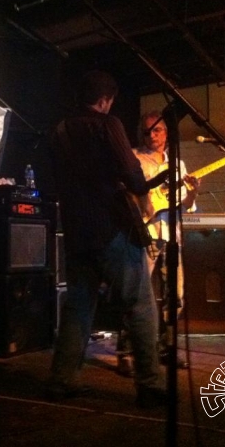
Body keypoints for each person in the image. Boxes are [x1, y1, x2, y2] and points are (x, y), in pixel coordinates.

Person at [47, 69, 169, 409]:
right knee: (141, 305)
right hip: (111, 230)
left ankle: (61, 380)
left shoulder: (60, 130)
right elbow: (134, 179)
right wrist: (158, 178)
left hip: (76, 232)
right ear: (105, 100)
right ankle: (150, 385)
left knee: (79, 308)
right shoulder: (108, 124)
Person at [116, 111, 200, 375]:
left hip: (171, 235)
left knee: (176, 296)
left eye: (157, 130)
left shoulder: (178, 164)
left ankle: (167, 348)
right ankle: (126, 352)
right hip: (145, 234)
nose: (151, 135)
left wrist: (194, 191)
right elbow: (123, 194)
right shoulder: (133, 157)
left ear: (166, 133)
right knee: (136, 294)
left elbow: (186, 206)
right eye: (147, 131)